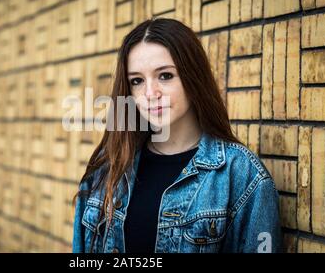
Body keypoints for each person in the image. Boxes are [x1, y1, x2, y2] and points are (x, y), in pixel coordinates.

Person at [72, 17, 282, 253]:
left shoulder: (241, 175)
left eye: (165, 76)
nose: (150, 93)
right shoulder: (108, 166)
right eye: (137, 81)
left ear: (193, 77)